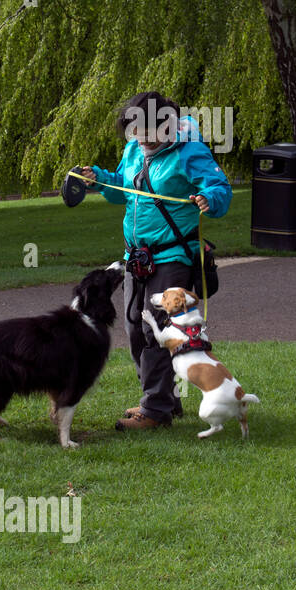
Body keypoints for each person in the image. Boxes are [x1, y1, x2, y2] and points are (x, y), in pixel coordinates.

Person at [79, 91, 232, 431]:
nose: (142, 138)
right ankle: (163, 399)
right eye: (135, 130)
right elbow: (123, 189)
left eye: (149, 130)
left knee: (157, 330)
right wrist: (101, 178)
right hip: (136, 257)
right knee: (135, 326)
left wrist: (210, 198)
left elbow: (220, 186)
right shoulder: (134, 149)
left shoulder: (190, 151)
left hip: (173, 256)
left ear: (169, 124)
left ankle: (156, 410)